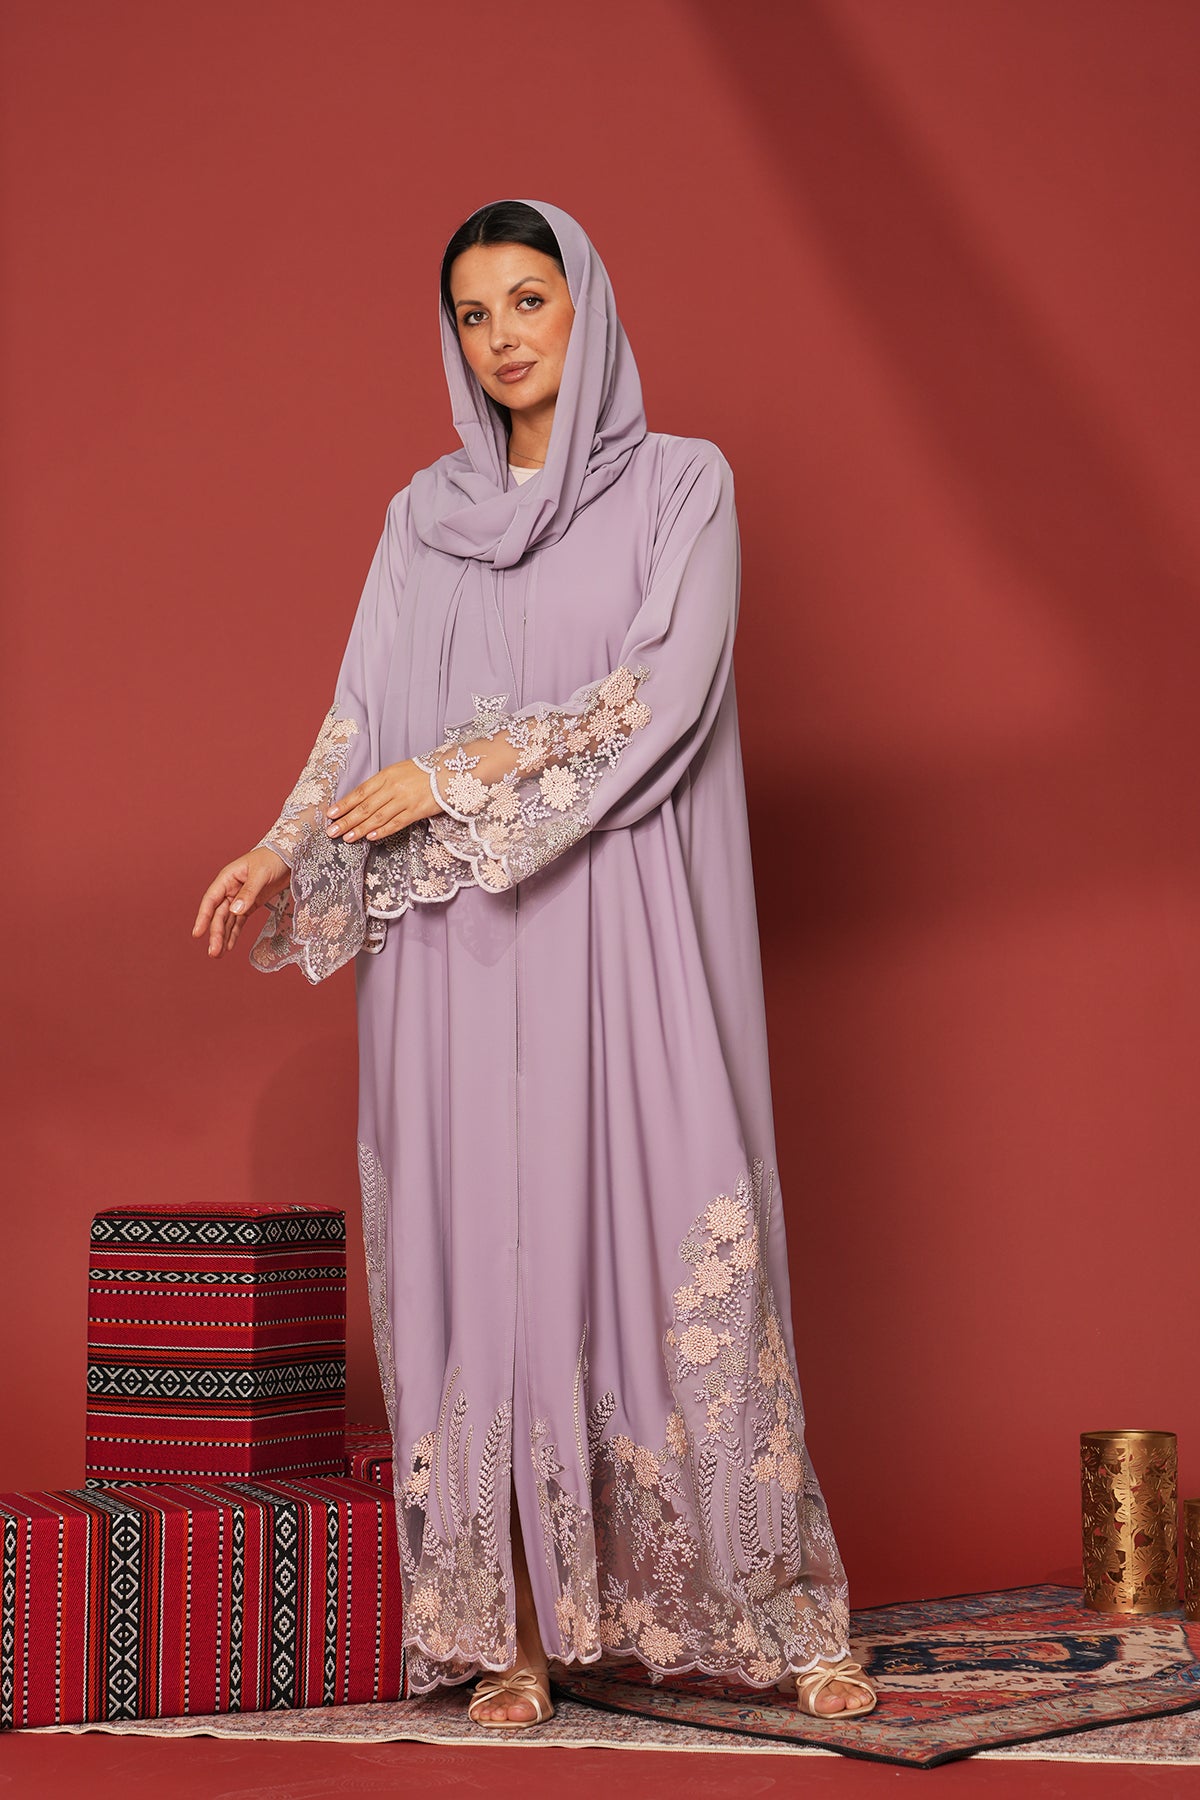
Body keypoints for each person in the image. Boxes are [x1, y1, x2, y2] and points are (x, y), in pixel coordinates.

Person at [193, 198, 878, 1730]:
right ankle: (511, 1630)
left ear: (586, 308)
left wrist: (461, 772)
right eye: (473, 314)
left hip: (615, 917)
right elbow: (363, 716)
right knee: (479, 1259)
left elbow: (663, 692)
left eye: (527, 300)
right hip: (451, 950)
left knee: (664, 1230)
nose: (502, 338)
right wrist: (287, 843)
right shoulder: (420, 516)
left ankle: (771, 1607)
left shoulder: (682, 486)